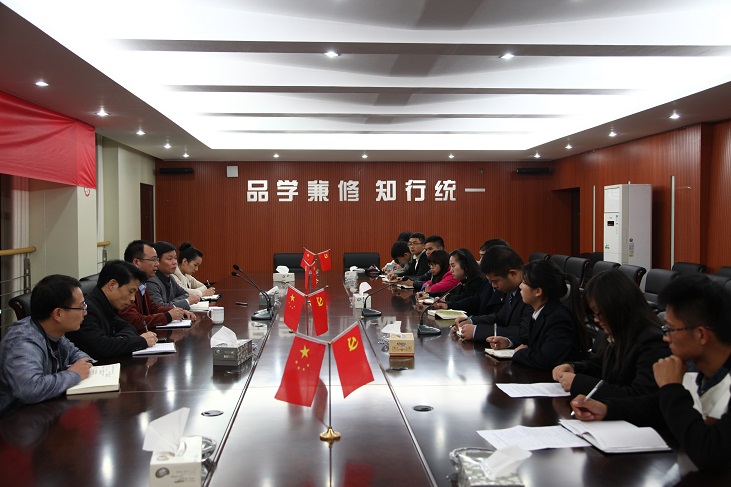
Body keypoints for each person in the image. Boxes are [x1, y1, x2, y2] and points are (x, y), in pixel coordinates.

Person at [570, 274, 731, 471]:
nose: (666, 338)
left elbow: (708, 452)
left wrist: (671, 387)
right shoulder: (694, 370)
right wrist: (606, 408)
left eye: (670, 329)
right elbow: (656, 405)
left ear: (701, 334)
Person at [552, 269, 670, 400]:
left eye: (599, 314)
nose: (596, 320)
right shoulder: (618, 331)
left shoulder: (653, 342)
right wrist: (574, 367)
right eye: (593, 314)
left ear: (618, 307)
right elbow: (600, 366)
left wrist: (579, 384)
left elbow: (639, 396)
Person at [0, 275, 93, 416]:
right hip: (14, 421)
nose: (85, 312)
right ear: (58, 314)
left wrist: (84, 365)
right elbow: (29, 389)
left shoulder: (55, 333)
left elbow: (78, 355)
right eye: (81, 307)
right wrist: (73, 374)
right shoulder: (23, 342)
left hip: (43, 412)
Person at [487, 259, 589, 369]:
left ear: (538, 291)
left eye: (524, 282)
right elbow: (531, 340)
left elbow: (546, 359)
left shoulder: (558, 318)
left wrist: (520, 353)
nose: (520, 286)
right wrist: (508, 342)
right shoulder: (541, 311)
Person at [67, 260, 157, 359]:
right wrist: (141, 341)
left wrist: (118, 341)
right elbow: (101, 348)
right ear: (112, 285)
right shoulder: (86, 310)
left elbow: (129, 327)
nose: (133, 299)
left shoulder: (107, 306)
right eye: (131, 291)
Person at [455, 246, 531, 342]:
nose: (493, 286)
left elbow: (524, 332)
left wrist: (477, 331)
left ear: (512, 274)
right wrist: (471, 321)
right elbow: (501, 317)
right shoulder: (511, 288)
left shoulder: (531, 292)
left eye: (495, 281)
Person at [119, 240, 197, 332]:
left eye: (157, 259)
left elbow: (154, 308)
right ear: (136, 262)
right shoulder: (125, 286)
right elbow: (134, 321)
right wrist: (168, 316)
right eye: (153, 259)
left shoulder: (142, 283)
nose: (157, 263)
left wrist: (178, 311)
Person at [146, 241, 200, 309]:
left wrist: (171, 304)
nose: (175, 262)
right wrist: (186, 302)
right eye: (170, 259)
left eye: (175, 258)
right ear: (157, 261)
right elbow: (158, 308)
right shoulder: (151, 281)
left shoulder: (170, 278)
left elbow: (185, 294)